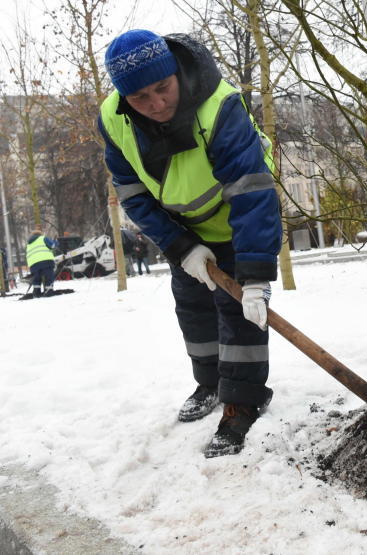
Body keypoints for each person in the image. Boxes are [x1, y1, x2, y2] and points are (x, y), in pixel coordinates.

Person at [98, 29, 281, 458]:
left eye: (163, 88)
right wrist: (181, 246)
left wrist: (254, 274)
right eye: (141, 98)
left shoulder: (220, 107)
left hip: (237, 223)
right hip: (185, 229)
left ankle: (242, 403)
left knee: (240, 316)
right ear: (125, 100)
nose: (157, 104)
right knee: (193, 310)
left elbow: (251, 190)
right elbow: (132, 194)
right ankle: (211, 384)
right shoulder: (112, 121)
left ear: (176, 73)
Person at [25, 230, 57, 297]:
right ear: (40, 234)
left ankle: (36, 293)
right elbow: (53, 246)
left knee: (36, 280)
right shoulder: (43, 238)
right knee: (49, 277)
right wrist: (56, 241)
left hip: (33, 264)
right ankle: (48, 292)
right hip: (46, 261)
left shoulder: (28, 244)